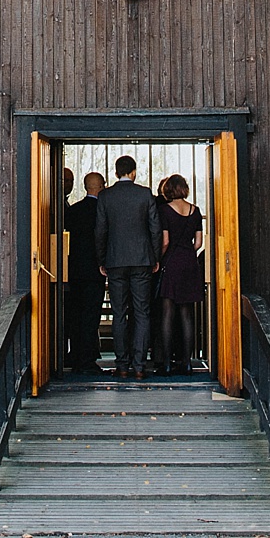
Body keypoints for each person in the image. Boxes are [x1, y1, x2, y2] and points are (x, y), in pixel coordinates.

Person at [93, 155, 161, 380]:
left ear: (116, 173)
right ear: (133, 172)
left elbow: (100, 231)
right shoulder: (145, 194)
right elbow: (155, 230)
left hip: (115, 261)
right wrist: (155, 257)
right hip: (142, 260)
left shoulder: (105, 196)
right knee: (142, 312)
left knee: (119, 313)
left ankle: (122, 365)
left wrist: (102, 259)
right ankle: (140, 366)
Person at [153, 174, 205, 374]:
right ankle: (188, 362)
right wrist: (188, 254)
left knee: (167, 312)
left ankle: (166, 363)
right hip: (189, 263)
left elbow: (165, 241)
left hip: (171, 263)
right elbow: (198, 242)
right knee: (186, 313)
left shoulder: (164, 210)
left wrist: (159, 259)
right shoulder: (195, 210)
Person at [62, 169, 106, 372]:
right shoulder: (103, 211)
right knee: (90, 316)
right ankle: (87, 359)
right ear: (102, 186)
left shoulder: (73, 211)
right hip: (96, 270)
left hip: (73, 270)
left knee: (75, 315)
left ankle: (75, 355)